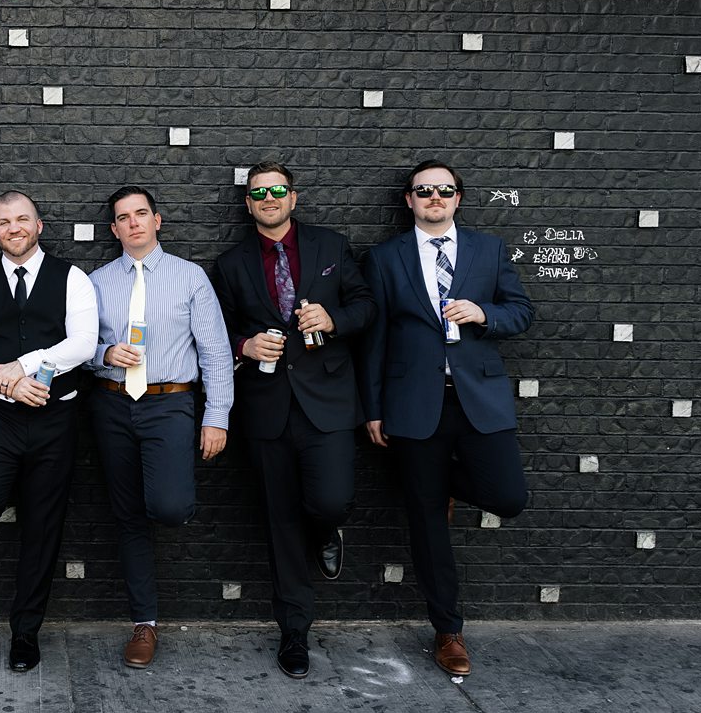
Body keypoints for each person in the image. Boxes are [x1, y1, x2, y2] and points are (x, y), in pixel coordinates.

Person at [359, 159, 535, 677]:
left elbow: (522, 310)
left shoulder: (489, 249)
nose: (434, 197)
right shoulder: (385, 257)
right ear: (409, 200)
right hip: (414, 403)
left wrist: (485, 314)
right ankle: (448, 630)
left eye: (444, 190)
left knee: (508, 496)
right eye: (424, 190)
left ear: (458, 198)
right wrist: (372, 408)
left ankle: (446, 486)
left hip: (478, 397)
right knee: (427, 520)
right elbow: (376, 338)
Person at [212, 160, 375, 679]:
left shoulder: (331, 246)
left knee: (330, 499)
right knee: (281, 525)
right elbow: (219, 331)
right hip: (266, 407)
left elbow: (367, 305)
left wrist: (334, 319)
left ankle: (327, 529)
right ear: (248, 203)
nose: (269, 198)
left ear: (293, 198)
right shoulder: (232, 262)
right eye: (259, 192)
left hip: (326, 400)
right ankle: (295, 634)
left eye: (278, 190)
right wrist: (245, 343)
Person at [85, 186, 233, 669]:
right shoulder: (97, 281)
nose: (133, 224)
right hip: (111, 405)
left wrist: (216, 417)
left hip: (170, 404)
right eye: (123, 218)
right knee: (126, 518)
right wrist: (104, 354)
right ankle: (143, 623)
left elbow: (214, 352)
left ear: (157, 221)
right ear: (113, 229)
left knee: (168, 507)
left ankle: (163, 500)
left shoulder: (190, 278)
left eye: (141, 214)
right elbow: (77, 345)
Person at [0, 191, 98, 673]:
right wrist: (13, 385)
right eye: (3, 222)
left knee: (43, 528)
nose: (13, 228)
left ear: (40, 225)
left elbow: (82, 343)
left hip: (57, 418)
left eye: (22, 219)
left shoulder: (72, 279)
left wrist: (27, 365)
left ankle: (25, 632)